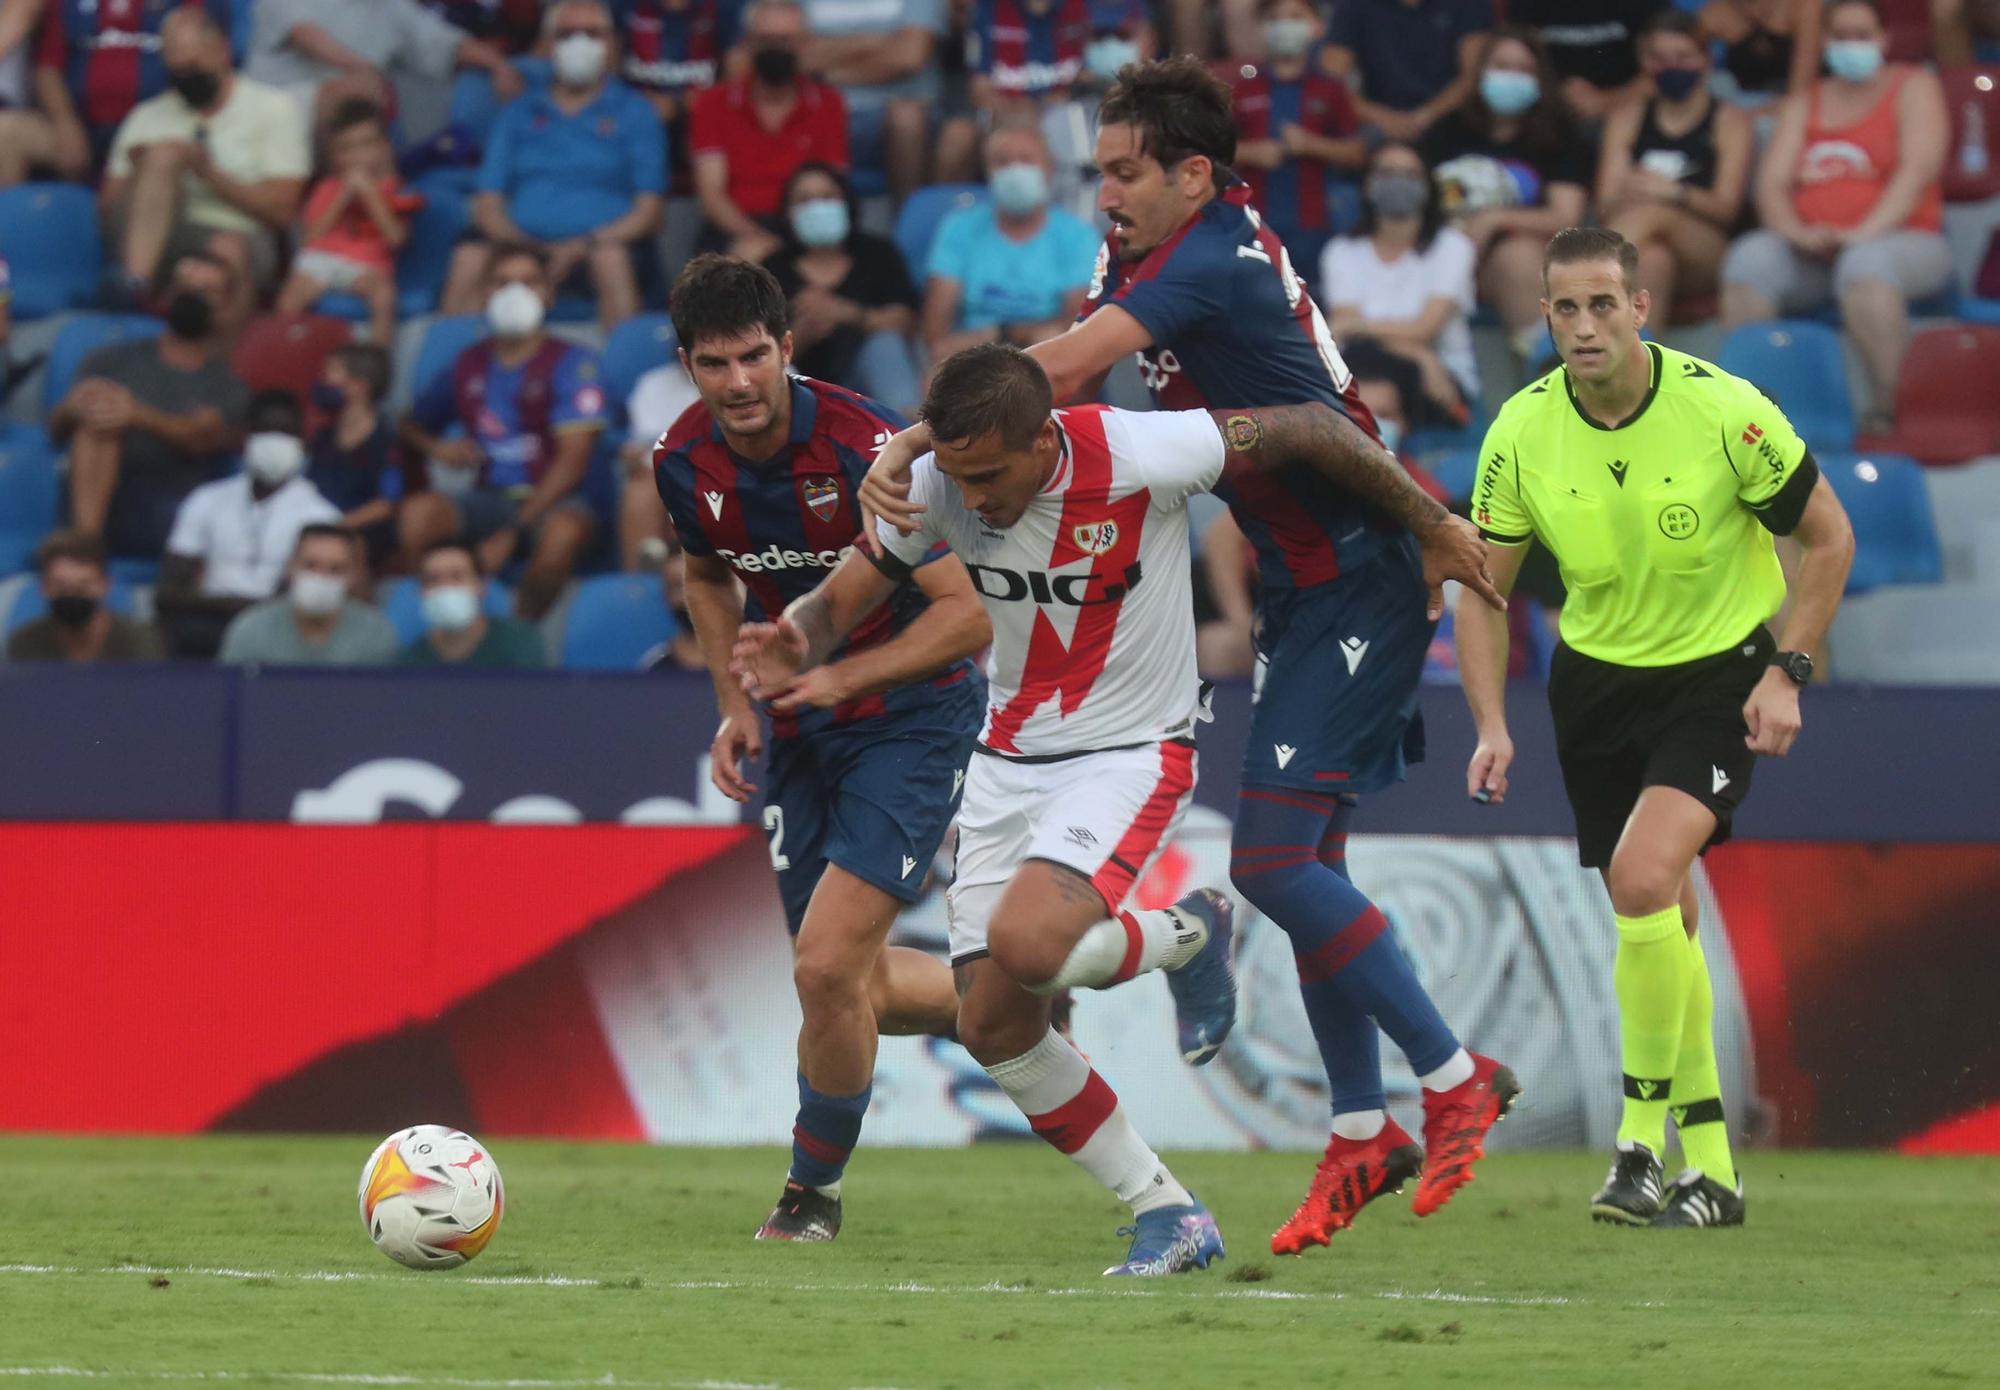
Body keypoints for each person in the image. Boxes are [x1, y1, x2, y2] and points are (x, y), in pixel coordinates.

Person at [858, 57, 1518, 1259]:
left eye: (1123, 173)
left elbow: (1052, 377)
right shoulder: (1139, 262)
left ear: (1193, 176)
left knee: (1267, 859)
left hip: (1359, 567)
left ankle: (1453, 1071)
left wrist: (911, 444)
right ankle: (1361, 1126)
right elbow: (1061, 382)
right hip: (1297, 579)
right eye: (1095, 171)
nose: (1102, 193)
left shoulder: (1209, 257)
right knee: (1310, 860)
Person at [1455, 226, 1856, 1228]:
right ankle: (1711, 1168)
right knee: (1656, 913)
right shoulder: (1519, 429)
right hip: (1592, 683)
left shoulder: (1722, 409)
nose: (1583, 326)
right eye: (1563, 308)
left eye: (1601, 304)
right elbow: (1478, 590)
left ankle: (1635, 1148)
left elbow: (1827, 536)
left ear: (1641, 308)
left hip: (1715, 674)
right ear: (1541, 317)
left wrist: (1785, 671)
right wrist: (1489, 722)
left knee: (1640, 881)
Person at [652, 255, 990, 1242]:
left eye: (754, 356)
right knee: (853, 981)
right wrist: (734, 704)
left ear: (787, 349)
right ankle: (1016, 1004)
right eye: (714, 365)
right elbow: (706, 576)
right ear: (688, 367)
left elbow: (967, 619)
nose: (738, 383)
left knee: (822, 969)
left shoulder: (868, 452)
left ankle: (809, 1197)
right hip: (797, 728)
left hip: (909, 715)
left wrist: (840, 676)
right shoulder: (682, 462)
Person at [1718, 0, 1949, 433]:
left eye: (1862, 35)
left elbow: (1917, 173)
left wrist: (1863, 233)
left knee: (1864, 265)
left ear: (1884, 39)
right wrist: (1796, 233)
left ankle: (1890, 409)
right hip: (1815, 248)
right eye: (1841, 36)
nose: (1851, 45)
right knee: (1750, 258)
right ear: (1825, 42)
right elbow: (1773, 185)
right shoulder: (1806, 101)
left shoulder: (1914, 86)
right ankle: (1749, 416)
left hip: (1905, 241)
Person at [400, 243, 607, 620]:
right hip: (486, 497)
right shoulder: (468, 363)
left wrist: (513, 531)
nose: (515, 293)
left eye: (528, 282)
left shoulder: (574, 363)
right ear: (484, 294)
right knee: (419, 514)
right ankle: (441, 620)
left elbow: (573, 462)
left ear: (548, 294)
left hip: (557, 501)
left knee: (563, 532)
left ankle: (518, 635)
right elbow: (408, 422)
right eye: (502, 282)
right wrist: (438, 447)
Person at [444, 0, 665, 331]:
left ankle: (621, 376)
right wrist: (526, 249)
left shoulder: (637, 112)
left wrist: (585, 244)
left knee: (611, 260)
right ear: (547, 45)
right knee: (470, 259)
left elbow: (650, 212)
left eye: (593, 34)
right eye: (566, 34)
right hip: (520, 244)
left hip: (599, 246)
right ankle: (454, 374)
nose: (580, 44)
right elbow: (486, 204)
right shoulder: (517, 111)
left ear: (613, 43)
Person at [100, 7, 308, 329]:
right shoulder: (146, 115)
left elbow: (283, 210)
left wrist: (206, 172)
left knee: (226, 249)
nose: (187, 78)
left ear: (222, 51)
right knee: (162, 157)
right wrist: (146, 174)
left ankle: (222, 365)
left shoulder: (273, 108)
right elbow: (108, 210)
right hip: (157, 241)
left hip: (241, 235)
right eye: (177, 71)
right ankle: (133, 292)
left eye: (195, 66)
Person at [50, 251, 249, 562]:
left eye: (207, 291)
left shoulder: (226, 384)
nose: (193, 298)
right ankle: (86, 549)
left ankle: (82, 555)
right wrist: (71, 407)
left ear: (224, 306)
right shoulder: (111, 358)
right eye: (185, 288)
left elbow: (202, 436)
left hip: (170, 503)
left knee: (109, 418)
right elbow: (54, 432)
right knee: (96, 422)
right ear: (168, 294)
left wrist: (137, 416)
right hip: (93, 494)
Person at [1421, 25, 1591, 366]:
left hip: (1525, 261)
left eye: (1523, 69)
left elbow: (1565, 217)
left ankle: (1549, 363)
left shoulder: (1561, 135)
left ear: (1541, 79)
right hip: (1445, 257)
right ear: (1480, 73)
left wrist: (1495, 219)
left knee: (1515, 254)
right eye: (1501, 66)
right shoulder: (1446, 132)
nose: (1511, 77)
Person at [156, 389, 340, 659]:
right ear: (247, 437)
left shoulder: (321, 515)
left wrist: (240, 608)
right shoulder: (206, 499)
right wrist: (228, 605)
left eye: (286, 433)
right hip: (206, 622)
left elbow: (305, 595)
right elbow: (169, 591)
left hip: (281, 627)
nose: (275, 440)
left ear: (302, 442)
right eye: (265, 430)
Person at [1595, 11, 1753, 320]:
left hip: (1705, 248)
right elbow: (1605, 204)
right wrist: (1635, 195)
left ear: (1706, 60)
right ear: (1645, 62)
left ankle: (1582, 284)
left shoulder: (1729, 121)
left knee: (1656, 212)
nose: (1671, 68)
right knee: (1653, 260)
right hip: (1636, 245)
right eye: (1660, 58)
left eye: (1683, 57)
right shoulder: (1627, 117)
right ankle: (1638, 365)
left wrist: (1672, 192)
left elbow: (1727, 210)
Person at [1320, 142, 1481, 430]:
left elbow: (1424, 329)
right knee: (1361, 372)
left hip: (1442, 380)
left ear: (1428, 187)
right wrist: (1420, 355)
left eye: (1410, 174)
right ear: (1368, 185)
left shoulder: (1453, 247)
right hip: (1372, 364)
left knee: (1370, 379)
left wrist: (1421, 353)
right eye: (1387, 172)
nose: (1398, 183)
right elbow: (1347, 329)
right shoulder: (1341, 251)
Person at [921, 120, 1098, 369]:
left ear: (1049, 169)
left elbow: (1075, 329)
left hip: (1045, 362)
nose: (1015, 171)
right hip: (972, 366)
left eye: (1027, 160)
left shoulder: (1078, 236)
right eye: (1002, 162)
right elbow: (935, 332)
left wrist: (1000, 334)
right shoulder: (959, 228)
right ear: (987, 172)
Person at [688, 0, 848, 263]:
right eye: (766, 40)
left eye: (787, 40)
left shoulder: (828, 103)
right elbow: (712, 196)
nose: (776, 50)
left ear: (805, 44)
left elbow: (830, 187)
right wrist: (756, 238)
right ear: (748, 44)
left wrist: (789, 245)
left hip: (805, 225)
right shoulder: (712, 103)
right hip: (735, 227)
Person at [764, 163, 923, 411]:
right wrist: (801, 335)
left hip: (868, 380)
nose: (817, 207)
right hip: (799, 390)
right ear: (788, 213)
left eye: (827, 197)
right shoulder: (772, 270)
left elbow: (907, 321)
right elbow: (757, 355)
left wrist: (847, 313)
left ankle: (909, 438)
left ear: (846, 202)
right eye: (804, 200)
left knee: (885, 345)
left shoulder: (877, 254)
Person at [1227, 0, 1368, 269]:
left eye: (1295, 16)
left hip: (1317, 225)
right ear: (1260, 29)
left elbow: (1357, 153)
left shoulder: (1331, 88)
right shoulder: (1242, 88)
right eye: (1274, 18)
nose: (1285, 25)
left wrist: (1311, 145)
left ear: (1317, 27)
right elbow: (1211, 152)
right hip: (1252, 224)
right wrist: (1251, 152)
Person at [246, 0, 521, 137]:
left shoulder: (388, 5)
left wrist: (500, 65)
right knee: (361, 89)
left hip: (353, 115)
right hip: (275, 108)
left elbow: (445, 41)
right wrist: (366, 70)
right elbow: (307, 37)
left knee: (364, 96)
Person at [31, 0, 235, 176]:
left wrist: (152, 123)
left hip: (158, 126)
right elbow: (48, 67)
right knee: (6, 133)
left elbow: (203, 54)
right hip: (82, 126)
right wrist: (65, 124)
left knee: (162, 158)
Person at [276, 101, 419, 344]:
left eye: (366, 144)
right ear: (334, 158)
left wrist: (370, 195)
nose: (357, 156)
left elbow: (396, 239)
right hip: (320, 261)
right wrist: (343, 196)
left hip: (367, 267)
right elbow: (310, 237)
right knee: (289, 299)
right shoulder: (327, 188)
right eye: (346, 149)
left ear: (384, 147)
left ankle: (376, 363)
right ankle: (284, 357)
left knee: (384, 296)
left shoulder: (399, 192)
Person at [797, 0, 940, 201]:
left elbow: (909, 57)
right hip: (817, 108)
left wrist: (825, 72)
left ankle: (907, 221)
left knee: (907, 118)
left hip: (894, 118)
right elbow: (796, 56)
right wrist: (873, 42)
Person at [218, 523, 401, 665]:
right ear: (290, 568)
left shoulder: (375, 633)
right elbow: (229, 698)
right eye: (310, 565)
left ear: (353, 577)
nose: (321, 577)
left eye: (336, 569)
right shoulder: (251, 628)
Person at [1321, 0, 1490, 146]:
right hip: (1377, 128)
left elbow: (1473, 77)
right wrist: (1383, 119)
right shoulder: (1354, 5)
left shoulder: (1468, 3)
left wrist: (1426, 116)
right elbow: (1328, 82)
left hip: (1451, 121)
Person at [5, 530, 167, 664]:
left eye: (83, 586)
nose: (72, 594)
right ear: (44, 588)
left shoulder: (140, 643)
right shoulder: (25, 644)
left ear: (105, 585)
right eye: (61, 586)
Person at [307, 344, 403, 568]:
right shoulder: (324, 436)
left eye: (333, 372)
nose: (324, 381)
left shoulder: (387, 439)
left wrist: (337, 525)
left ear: (359, 386)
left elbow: (387, 504)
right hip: (316, 528)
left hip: (362, 536)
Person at [1504, 0, 1669, 122]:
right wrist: (1555, 93)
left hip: (1625, 111)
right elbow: (1509, 61)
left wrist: (1604, 100)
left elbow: (1666, 72)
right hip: (1545, 110)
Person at [399, 539, 548, 667]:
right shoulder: (409, 662)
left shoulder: (520, 644)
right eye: (433, 579)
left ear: (481, 586)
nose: (444, 587)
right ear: (420, 592)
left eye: (456, 577)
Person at [1699, 0, 1821, 109]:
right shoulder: (1713, 12)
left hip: (1795, 107)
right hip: (1741, 108)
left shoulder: (1803, 5)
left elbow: (1802, 87)